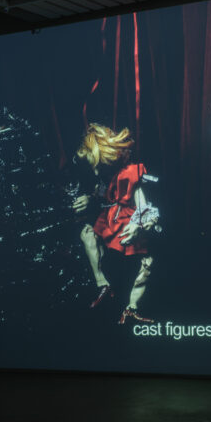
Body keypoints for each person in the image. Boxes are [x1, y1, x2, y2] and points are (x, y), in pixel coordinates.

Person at [71, 123, 161, 325]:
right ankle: (102, 284)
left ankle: (132, 307)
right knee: (87, 235)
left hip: (128, 222)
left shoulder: (130, 173)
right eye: (94, 167)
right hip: (109, 220)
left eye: (99, 166)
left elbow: (143, 205)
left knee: (146, 263)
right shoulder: (105, 176)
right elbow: (102, 194)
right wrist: (90, 199)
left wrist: (139, 224)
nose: (96, 172)